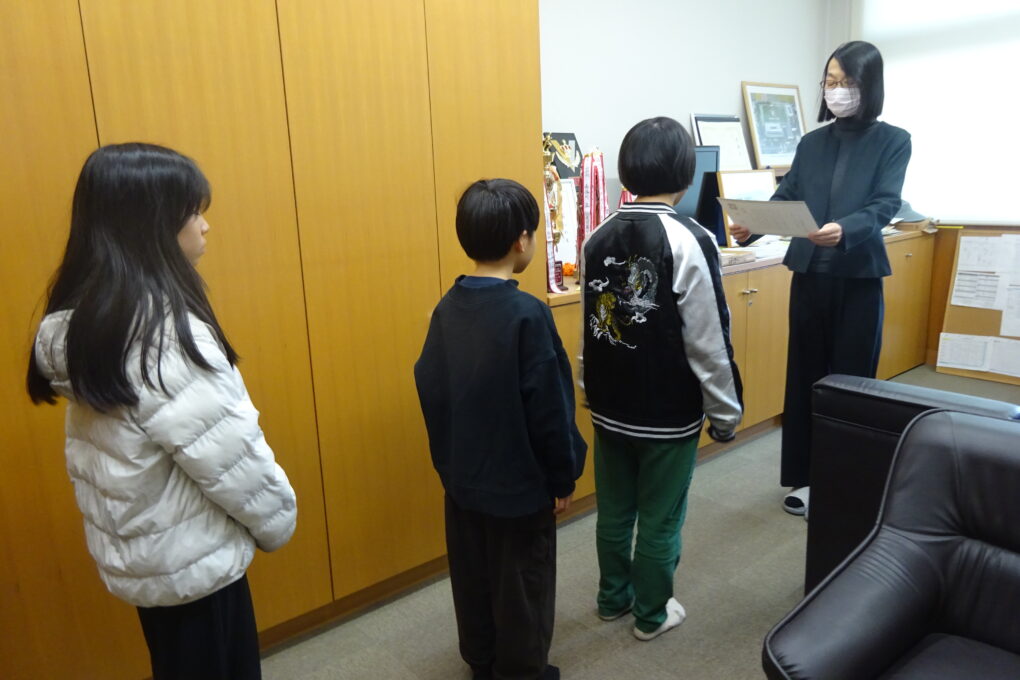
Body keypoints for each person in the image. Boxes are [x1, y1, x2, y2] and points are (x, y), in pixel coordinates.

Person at [27, 143, 297, 680]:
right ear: (151, 225)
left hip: (151, 561)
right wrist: (278, 521)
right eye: (193, 212)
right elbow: (230, 458)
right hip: (194, 566)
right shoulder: (160, 337)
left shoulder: (87, 322)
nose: (205, 226)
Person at [729, 41, 911, 516]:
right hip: (809, 275)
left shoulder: (894, 140)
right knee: (805, 379)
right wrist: (752, 225)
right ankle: (806, 478)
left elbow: (885, 203)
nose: (836, 90)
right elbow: (788, 196)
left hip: (858, 276)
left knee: (851, 382)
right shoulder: (812, 143)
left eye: (847, 82)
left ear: (868, 85)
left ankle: (847, 483)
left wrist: (845, 229)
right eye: (830, 81)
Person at [414, 178, 586, 680]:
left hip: (463, 484)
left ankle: (481, 663)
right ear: (521, 240)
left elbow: (431, 388)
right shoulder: (527, 314)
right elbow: (550, 407)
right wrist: (562, 476)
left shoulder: (447, 309)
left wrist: (450, 465)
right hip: (520, 490)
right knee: (523, 585)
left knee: (473, 580)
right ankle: (523, 671)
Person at [581, 117, 743, 641]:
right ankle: (651, 613)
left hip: (608, 405)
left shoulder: (596, 236)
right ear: (685, 172)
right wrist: (725, 413)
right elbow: (709, 339)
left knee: (614, 510)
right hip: (667, 412)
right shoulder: (692, 239)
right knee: (660, 516)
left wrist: (588, 390)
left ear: (628, 170)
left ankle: (612, 599)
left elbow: (589, 329)